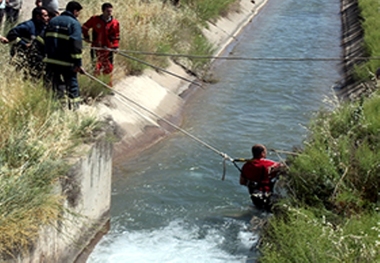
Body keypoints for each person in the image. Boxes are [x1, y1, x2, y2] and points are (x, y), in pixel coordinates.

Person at [44, 1, 84, 110]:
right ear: (75, 11)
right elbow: (76, 45)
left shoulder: (52, 21)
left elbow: (44, 39)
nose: (78, 15)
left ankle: (59, 108)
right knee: (72, 86)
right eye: (78, 13)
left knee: (56, 85)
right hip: (67, 62)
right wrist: (78, 64)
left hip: (51, 61)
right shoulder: (73, 23)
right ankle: (74, 109)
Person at [82, 2, 119, 86]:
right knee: (96, 68)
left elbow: (116, 36)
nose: (109, 13)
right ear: (103, 11)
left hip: (108, 49)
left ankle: (108, 86)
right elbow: (84, 27)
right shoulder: (95, 20)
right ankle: (95, 86)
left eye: (110, 11)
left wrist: (115, 47)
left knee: (108, 68)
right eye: (107, 11)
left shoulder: (115, 23)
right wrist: (86, 37)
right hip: (96, 48)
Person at [6, 6, 49, 79]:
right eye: (45, 16)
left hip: (35, 57)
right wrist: (24, 44)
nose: (47, 18)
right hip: (22, 54)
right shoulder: (27, 25)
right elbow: (11, 35)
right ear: (38, 16)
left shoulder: (44, 27)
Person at [239, 144, 284, 211]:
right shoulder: (269, 164)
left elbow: (242, 182)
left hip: (254, 195)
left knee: (259, 209)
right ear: (262, 153)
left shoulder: (246, 166)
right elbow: (283, 167)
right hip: (267, 194)